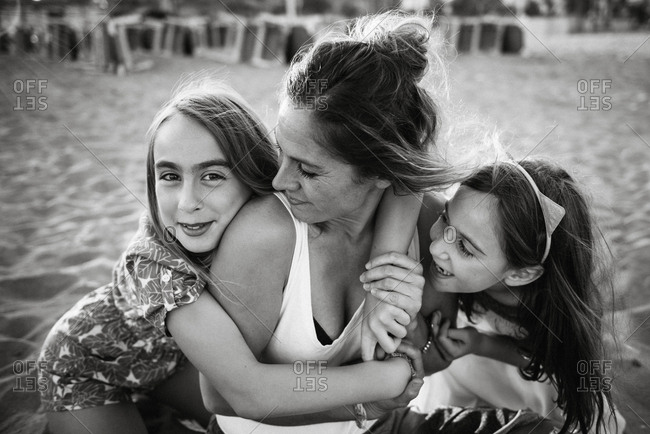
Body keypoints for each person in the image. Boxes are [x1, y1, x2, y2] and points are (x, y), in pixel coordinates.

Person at [197, 12, 557, 434]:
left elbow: (431, 354)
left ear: (381, 174)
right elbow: (220, 395)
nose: (279, 181)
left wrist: (414, 338)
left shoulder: (430, 227)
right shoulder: (264, 235)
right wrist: (363, 400)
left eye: (308, 171)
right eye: (282, 151)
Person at [37, 79, 422, 434]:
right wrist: (379, 386)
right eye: (169, 176)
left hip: (179, 363)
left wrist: (380, 287)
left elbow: (404, 178)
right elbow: (245, 392)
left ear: (253, 171)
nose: (188, 204)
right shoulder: (155, 267)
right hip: (87, 364)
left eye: (212, 176)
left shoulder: (282, 190)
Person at [369, 158, 625, 433]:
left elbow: (551, 360)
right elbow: (405, 178)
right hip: (480, 361)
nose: (436, 247)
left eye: (465, 248)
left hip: (544, 376)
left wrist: (481, 344)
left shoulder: (549, 308)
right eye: (445, 219)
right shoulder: (471, 252)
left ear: (519, 275)